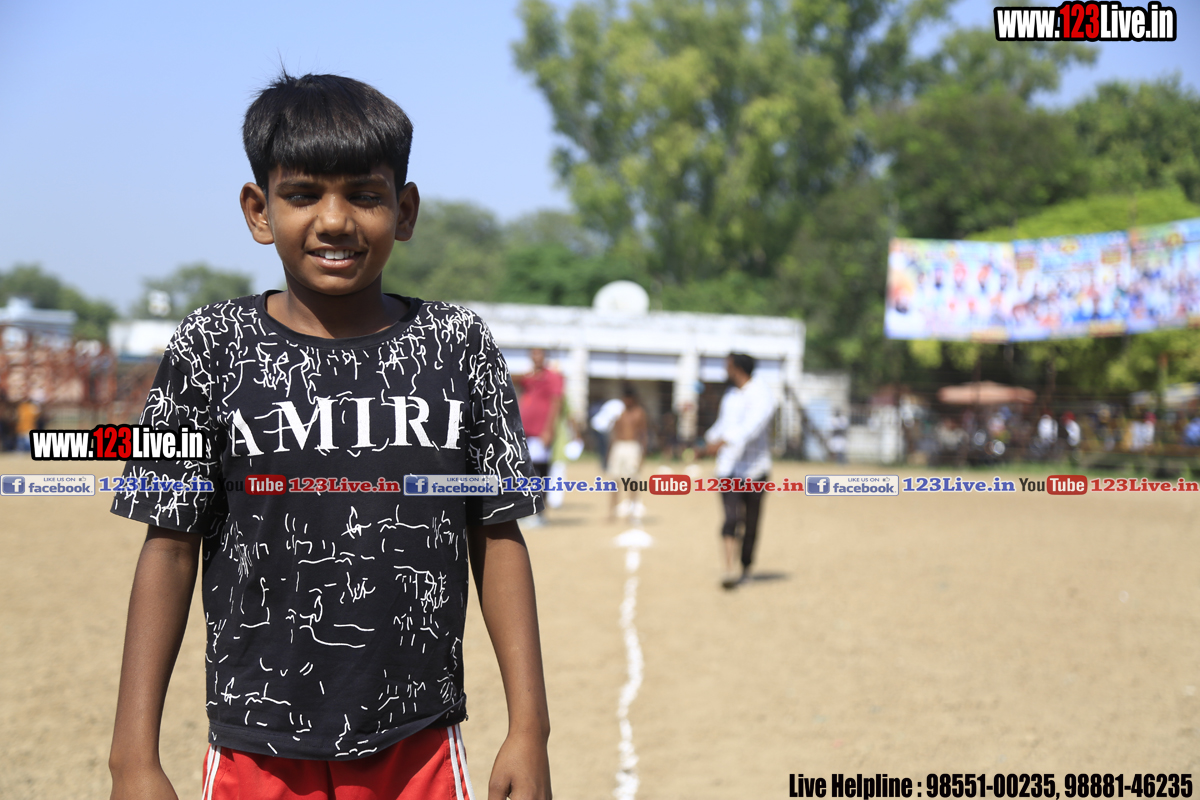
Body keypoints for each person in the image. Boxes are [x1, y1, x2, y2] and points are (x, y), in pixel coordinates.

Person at [106, 73, 551, 800]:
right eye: (304, 194)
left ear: (405, 210)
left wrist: (530, 729)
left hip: (416, 740)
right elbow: (169, 546)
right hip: (256, 745)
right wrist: (132, 760)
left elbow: (495, 532)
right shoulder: (210, 348)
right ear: (259, 211)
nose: (335, 220)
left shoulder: (458, 346)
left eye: (365, 195)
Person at [703, 353, 777, 590]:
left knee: (751, 523)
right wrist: (709, 440)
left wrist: (722, 442)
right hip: (728, 469)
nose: (725, 370)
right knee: (731, 518)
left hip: (755, 470)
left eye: (728, 365)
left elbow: (751, 428)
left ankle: (745, 568)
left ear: (737, 368)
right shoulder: (731, 396)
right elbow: (723, 424)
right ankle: (728, 569)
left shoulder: (762, 394)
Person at [515, 347, 563, 525]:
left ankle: (539, 512)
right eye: (533, 354)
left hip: (540, 432)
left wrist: (548, 429)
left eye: (539, 354)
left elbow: (556, 402)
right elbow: (513, 379)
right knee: (523, 470)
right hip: (524, 431)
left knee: (539, 471)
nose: (536, 357)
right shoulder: (531, 377)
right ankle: (525, 509)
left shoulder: (553, 377)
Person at [607, 385, 648, 522]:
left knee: (632, 481)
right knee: (614, 480)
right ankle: (612, 512)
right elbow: (613, 431)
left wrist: (643, 454)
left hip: (632, 447)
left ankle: (632, 511)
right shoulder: (618, 412)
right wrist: (610, 450)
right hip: (618, 446)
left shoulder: (639, 413)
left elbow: (643, 434)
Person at [590, 395, 626, 471]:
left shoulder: (614, 404)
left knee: (603, 447)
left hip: (598, 426)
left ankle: (605, 464)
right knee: (607, 447)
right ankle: (607, 465)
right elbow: (614, 420)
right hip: (603, 428)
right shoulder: (620, 406)